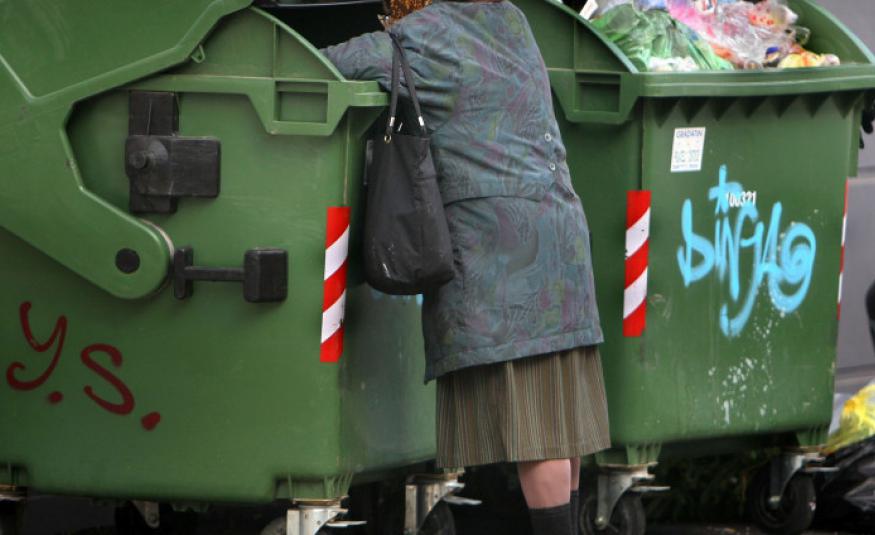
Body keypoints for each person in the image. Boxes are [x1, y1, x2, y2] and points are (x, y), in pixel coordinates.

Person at [321, 1, 610, 533]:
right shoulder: (511, 18)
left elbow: (323, 65)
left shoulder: (419, 38)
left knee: (538, 432)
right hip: (560, 233)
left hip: (506, 258)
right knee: (559, 418)